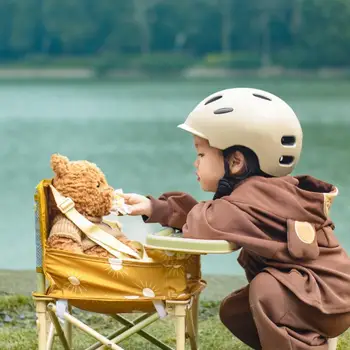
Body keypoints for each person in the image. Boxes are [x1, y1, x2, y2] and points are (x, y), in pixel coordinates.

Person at [122, 88, 350, 349]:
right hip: (325, 297)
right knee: (236, 310)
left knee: (267, 291)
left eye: (201, 154)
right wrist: (155, 208)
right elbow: (216, 217)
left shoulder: (253, 196)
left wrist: (161, 209)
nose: (196, 163)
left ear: (236, 161)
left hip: (325, 298)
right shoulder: (265, 193)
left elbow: (206, 224)